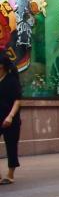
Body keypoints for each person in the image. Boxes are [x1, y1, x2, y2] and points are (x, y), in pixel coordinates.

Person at [0, 56, 21, 185]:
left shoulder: (12, 80)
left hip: (10, 118)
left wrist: (10, 116)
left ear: (2, 66)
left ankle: (10, 174)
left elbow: (17, 100)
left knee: (11, 145)